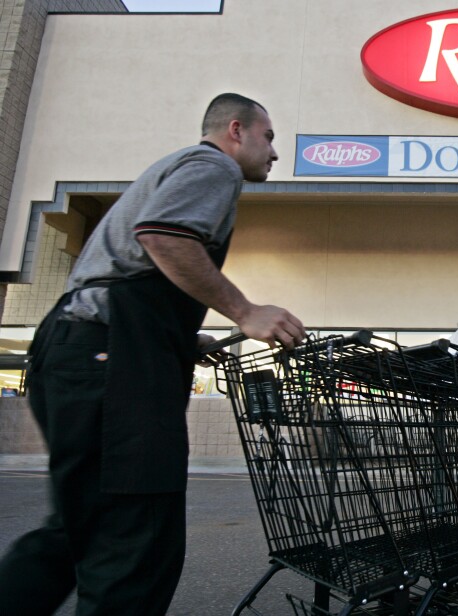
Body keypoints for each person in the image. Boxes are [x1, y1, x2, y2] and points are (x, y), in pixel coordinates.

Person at [0, 93, 305, 615]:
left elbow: (129, 270)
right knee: (136, 545)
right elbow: (164, 236)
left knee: (80, 528)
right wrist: (244, 311)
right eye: (268, 137)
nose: (273, 153)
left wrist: (183, 339)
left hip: (78, 349)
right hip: (109, 362)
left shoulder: (176, 167)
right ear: (236, 130)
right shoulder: (214, 166)